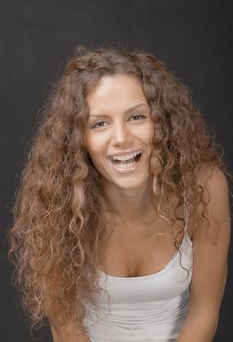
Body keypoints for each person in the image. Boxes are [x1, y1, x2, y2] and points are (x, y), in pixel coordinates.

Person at [8, 45, 231, 342]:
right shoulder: (55, 202)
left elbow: (205, 310)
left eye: (137, 117)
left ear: (162, 121)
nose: (122, 139)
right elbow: (67, 328)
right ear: (79, 139)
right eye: (99, 124)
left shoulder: (206, 187)